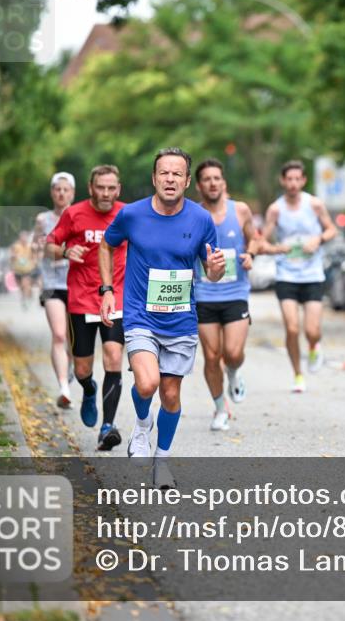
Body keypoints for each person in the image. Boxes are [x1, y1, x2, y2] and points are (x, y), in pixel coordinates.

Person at [99, 148, 225, 489]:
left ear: (187, 181)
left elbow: (210, 270)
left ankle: (161, 460)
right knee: (147, 384)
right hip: (140, 316)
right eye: (164, 173)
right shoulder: (132, 215)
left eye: (177, 174)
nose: (170, 179)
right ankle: (142, 427)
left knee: (170, 395)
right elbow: (107, 246)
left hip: (181, 321)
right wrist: (108, 290)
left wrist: (214, 271)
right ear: (154, 178)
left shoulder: (201, 220)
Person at [46, 165, 127, 450]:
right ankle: (89, 390)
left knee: (114, 357)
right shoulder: (74, 213)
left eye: (111, 188)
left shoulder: (126, 214)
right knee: (82, 368)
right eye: (100, 188)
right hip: (80, 299)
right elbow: (50, 244)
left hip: (116, 298)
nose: (106, 193)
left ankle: (108, 427)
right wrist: (66, 251)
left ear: (118, 189)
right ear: (91, 188)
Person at [192, 158, 263, 431]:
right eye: (207, 179)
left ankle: (233, 373)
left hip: (235, 292)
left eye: (216, 178)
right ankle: (220, 408)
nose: (212, 183)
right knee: (211, 356)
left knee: (233, 353)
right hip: (203, 294)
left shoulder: (241, 210)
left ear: (224, 183)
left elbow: (254, 237)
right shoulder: (193, 214)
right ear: (199, 186)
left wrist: (251, 254)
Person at [260, 160, 337, 393]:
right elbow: (262, 240)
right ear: (283, 181)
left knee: (312, 330)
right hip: (287, 275)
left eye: (297, 179)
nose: (293, 184)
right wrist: (276, 248)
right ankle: (298, 374)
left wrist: (319, 240)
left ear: (303, 180)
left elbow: (332, 229)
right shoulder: (275, 209)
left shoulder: (314, 205)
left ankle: (314, 346)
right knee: (292, 329)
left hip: (312, 274)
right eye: (289, 179)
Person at [36, 172, 75, 409]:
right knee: (59, 335)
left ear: (72, 193)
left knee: (74, 342)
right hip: (52, 284)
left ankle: (69, 370)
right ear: (52, 192)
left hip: (77, 283)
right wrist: (42, 247)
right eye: (57, 189)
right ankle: (64, 388)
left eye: (65, 189)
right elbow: (38, 248)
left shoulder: (79, 215)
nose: (61, 193)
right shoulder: (43, 219)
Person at [9, 230, 37, 309]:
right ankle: (24, 296)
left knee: (26, 284)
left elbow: (34, 256)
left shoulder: (30, 246)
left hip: (27, 269)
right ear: (20, 238)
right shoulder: (16, 246)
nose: (24, 239)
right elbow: (11, 257)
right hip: (18, 269)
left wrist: (34, 262)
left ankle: (26, 299)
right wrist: (13, 258)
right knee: (21, 286)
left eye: (25, 237)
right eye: (22, 237)